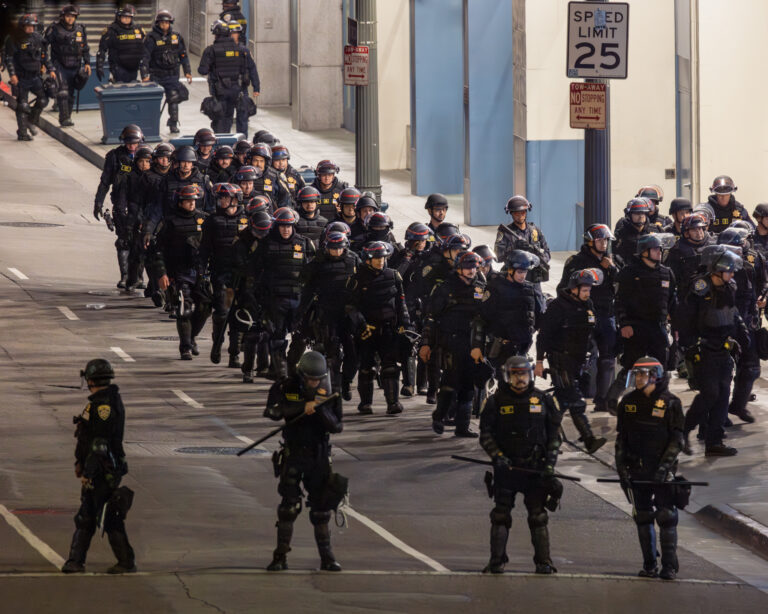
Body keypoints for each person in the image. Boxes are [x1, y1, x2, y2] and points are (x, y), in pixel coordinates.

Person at [479, 356, 562, 574]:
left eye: (523, 373)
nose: (519, 379)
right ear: (507, 376)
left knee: (538, 516)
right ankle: (496, 561)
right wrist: (497, 456)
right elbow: (485, 434)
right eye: (514, 374)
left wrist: (550, 465)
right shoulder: (495, 401)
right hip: (507, 469)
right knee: (500, 515)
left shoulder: (544, 400)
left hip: (535, 469)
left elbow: (555, 437)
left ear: (530, 375)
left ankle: (544, 562)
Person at [264, 351, 344, 572]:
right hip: (294, 453)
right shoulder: (286, 387)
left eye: (317, 379)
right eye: (309, 379)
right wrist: (302, 406)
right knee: (289, 508)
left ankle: (327, 557)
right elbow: (272, 412)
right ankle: (280, 556)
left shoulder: (330, 394)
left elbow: (337, 426)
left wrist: (319, 409)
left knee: (321, 510)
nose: (313, 382)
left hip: (318, 455)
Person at [61, 359, 135, 574]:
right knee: (90, 515)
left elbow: (99, 444)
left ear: (91, 379)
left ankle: (122, 561)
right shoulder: (102, 401)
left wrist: (89, 473)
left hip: (103, 469)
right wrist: (79, 462)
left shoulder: (103, 407)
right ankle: (77, 561)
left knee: (102, 516)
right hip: (100, 467)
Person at [615, 356, 685, 580]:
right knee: (643, 517)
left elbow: (677, 440)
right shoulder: (627, 403)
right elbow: (621, 439)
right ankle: (649, 565)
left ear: (655, 376)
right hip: (638, 468)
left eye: (642, 374)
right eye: (636, 375)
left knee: (666, 516)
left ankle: (669, 566)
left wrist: (664, 468)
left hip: (661, 470)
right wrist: (621, 469)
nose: (638, 379)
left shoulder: (671, 402)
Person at [674, 246, 748, 456]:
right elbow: (684, 318)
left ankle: (714, 442)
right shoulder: (700, 287)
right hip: (703, 348)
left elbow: (732, 314)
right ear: (719, 269)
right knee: (710, 394)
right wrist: (689, 346)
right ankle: (683, 432)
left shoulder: (729, 287)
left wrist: (742, 333)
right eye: (730, 271)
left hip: (723, 347)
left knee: (724, 394)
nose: (733, 275)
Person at [536, 268, 607, 453]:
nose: (588, 293)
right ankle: (589, 439)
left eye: (589, 290)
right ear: (574, 289)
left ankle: (546, 439)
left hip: (578, 362)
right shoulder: (558, 307)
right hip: (560, 360)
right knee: (575, 401)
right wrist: (539, 361)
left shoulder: (588, 305)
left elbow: (593, 331)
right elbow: (544, 336)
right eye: (584, 290)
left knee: (560, 402)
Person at [607, 234, 676, 412]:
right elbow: (619, 301)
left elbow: (671, 301)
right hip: (636, 327)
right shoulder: (629, 273)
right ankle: (612, 399)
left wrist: (675, 324)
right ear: (644, 252)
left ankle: (660, 399)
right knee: (631, 365)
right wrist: (624, 324)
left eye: (660, 249)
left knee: (662, 366)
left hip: (658, 327)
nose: (658, 252)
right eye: (654, 249)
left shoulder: (666, 273)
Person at [420, 251, 485, 437]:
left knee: (468, 386)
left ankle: (462, 427)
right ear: (458, 268)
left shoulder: (481, 288)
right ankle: (439, 417)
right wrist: (426, 344)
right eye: (467, 267)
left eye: (474, 267)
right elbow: (431, 318)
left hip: (472, 344)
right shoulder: (444, 288)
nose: (471, 270)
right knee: (450, 382)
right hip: (450, 342)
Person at [558, 224, 619, 413]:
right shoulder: (576, 261)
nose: (604, 243)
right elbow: (563, 289)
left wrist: (613, 269)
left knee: (608, 359)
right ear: (590, 242)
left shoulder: (612, 261)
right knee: (580, 357)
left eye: (606, 240)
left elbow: (624, 283)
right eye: (600, 240)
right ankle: (575, 398)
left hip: (606, 315)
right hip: (583, 316)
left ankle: (603, 400)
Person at [346, 241, 411, 415]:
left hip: (389, 329)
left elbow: (401, 302)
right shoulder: (357, 278)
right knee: (367, 368)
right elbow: (351, 307)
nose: (380, 261)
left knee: (390, 367)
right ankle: (366, 404)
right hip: (367, 330)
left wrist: (405, 324)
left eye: (382, 257)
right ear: (368, 259)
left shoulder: (393, 275)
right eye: (376, 258)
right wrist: (360, 325)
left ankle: (393, 403)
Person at [251, 207, 315, 379]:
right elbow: (255, 271)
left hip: (298, 299)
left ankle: (291, 365)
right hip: (274, 299)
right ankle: (281, 373)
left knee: (301, 336)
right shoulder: (266, 244)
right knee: (277, 337)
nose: (286, 229)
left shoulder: (304, 243)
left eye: (289, 226)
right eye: (282, 226)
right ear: (277, 226)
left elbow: (312, 272)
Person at [151, 185, 211, 359]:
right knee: (184, 308)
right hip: (178, 273)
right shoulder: (170, 222)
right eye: (187, 201)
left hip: (199, 272)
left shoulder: (204, 220)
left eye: (193, 201)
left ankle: (192, 338)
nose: (191, 204)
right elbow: (158, 251)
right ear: (180, 202)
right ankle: (185, 346)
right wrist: (162, 273)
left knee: (205, 307)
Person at [297, 232, 360, 395]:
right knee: (332, 354)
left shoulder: (353, 259)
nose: (336, 252)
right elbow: (306, 285)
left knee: (353, 354)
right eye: (333, 249)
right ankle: (335, 387)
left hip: (348, 314)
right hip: (326, 313)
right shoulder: (319, 262)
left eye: (339, 248)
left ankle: (346, 382)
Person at [717, 228, 765, 424]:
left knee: (752, 367)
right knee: (723, 371)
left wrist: (763, 298)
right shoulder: (717, 261)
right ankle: (718, 414)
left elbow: (763, 282)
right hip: (726, 322)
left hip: (749, 321)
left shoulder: (755, 258)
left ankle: (738, 405)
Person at [198, 183, 248, 366]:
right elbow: (204, 250)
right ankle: (217, 344)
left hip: (241, 276)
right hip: (221, 273)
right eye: (220, 198)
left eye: (225, 198)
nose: (221, 201)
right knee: (222, 312)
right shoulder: (212, 221)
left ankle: (234, 353)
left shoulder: (247, 219)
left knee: (238, 315)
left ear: (235, 199)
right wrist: (202, 273)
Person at [473, 250, 542, 376]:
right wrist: (477, 346)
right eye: (520, 272)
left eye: (525, 272)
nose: (523, 275)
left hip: (522, 350)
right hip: (500, 351)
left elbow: (539, 317)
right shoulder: (495, 287)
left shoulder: (530, 290)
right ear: (510, 270)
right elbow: (481, 319)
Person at [94, 124, 144, 288]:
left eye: (135, 142)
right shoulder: (114, 157)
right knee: (124, 240)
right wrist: (98, 202)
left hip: (141, 205)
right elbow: (105, 181)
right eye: (129, 142)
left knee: (141, 241)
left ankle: (139, 276)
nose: (132, 146)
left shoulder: (146, 156)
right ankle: (125, 276)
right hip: (121, 204)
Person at [198, 20, 259, 137]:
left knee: (223, 120)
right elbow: (248, 69)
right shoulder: (241, 50)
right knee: (241, 117)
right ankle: (242, 145)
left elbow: (202, 70)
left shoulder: (211, 50)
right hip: (237, 90)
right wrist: (256, 87)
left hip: (220, 92)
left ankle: (223, 145)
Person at [493, 195, 551, 312]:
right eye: (516, 213)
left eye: (523, 212)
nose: (520, 216)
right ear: (511, 214)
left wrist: (537, 259)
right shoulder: (505, 232)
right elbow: (498, 256)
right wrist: (514, 248)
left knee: (539, 308)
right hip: (513, 275)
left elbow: (547, 253)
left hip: (533, 275)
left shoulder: (535, 231)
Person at [140, 10, 191, 134]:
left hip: (172, 75)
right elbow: (145, 57)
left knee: (173, 99)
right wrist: (144, 75)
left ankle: (173, 124)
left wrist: (187, 72)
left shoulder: (176, 37)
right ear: (158, 23)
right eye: (162, 23)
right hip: (156, 75)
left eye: (167, 23)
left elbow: (183, 55)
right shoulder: (151, 38)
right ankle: (151, 123)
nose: (165, 25)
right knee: (153, 101)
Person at [5, 14, 55, 141]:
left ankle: (31, 121)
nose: (30, 28)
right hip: (21, 78)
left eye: (32, 26)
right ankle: (22, 133)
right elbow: (9, 58)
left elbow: (44, 56)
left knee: (43, 100)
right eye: (28, 26)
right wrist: (12, 75)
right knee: (22, 105)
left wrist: (50, 69)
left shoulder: (38, 38)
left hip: (35, 76)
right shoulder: (14, 39)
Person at [44, 4, 89, 127]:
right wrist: (48, 65)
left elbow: (85, 47)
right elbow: (43, 46)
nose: (70, 18)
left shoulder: (80, 29)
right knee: (62, 92)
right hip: (59, 65)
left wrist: (87, 62)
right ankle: (64, 118)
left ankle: (68, 117)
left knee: (71, 94)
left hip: (75, 65)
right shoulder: (54, 28)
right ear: (63, 16)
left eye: (73, 16)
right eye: (68, 16)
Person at [96, 4, 147, 84]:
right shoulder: (111, 30)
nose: (127, 19)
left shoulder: (138, 29)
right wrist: (99, 65)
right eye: (124, 17)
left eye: (129, 17)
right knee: (121, 89)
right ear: (118, 17)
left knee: (133, 89)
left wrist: (144, 66)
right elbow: (102, 49)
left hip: (134, 67)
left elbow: (145, 49)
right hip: (118, 67)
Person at [614, 198, 654, 265]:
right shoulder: (621, 234)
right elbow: (615, 255)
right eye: (637, 213)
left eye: (643, 213)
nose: (641, 216)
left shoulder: (655, 230)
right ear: (629, 215)